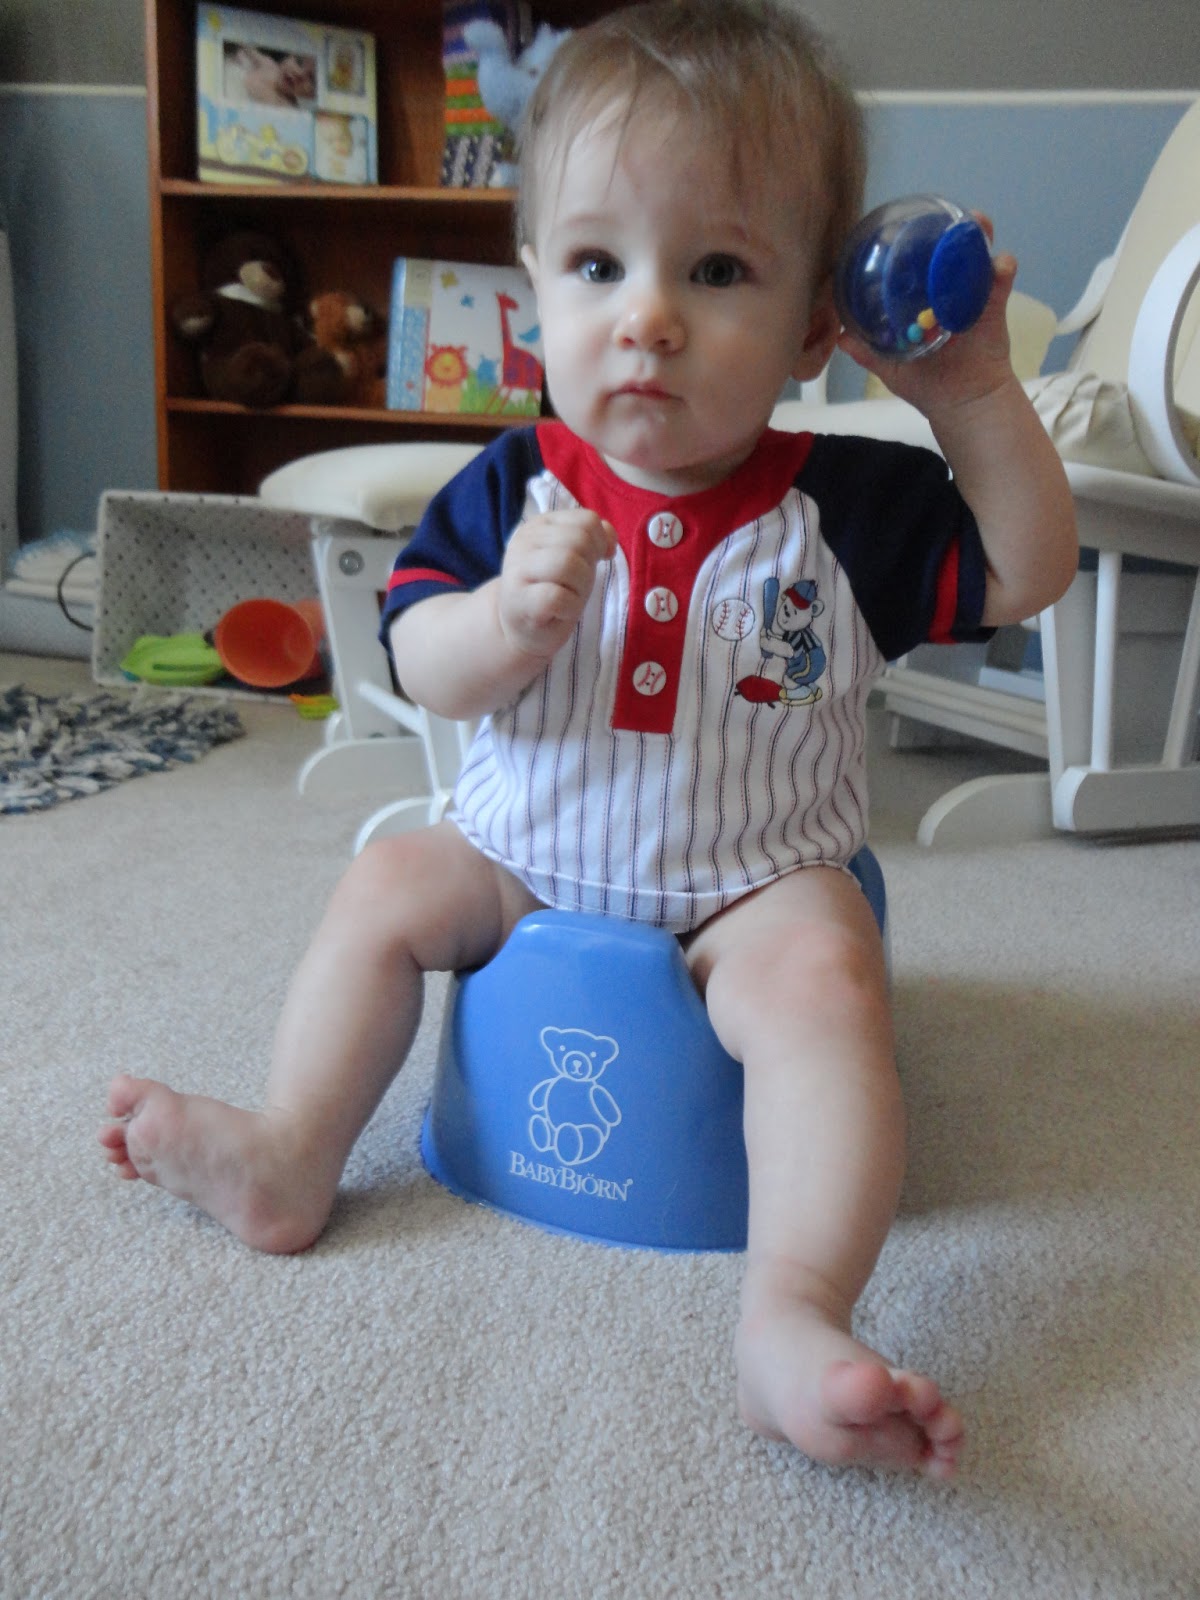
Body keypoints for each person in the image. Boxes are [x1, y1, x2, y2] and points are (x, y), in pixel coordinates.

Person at [101, 0, 1077, 1480]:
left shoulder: (851, 505)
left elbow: (1026, 569)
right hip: (523, 857)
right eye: (599, 265)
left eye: (720, 269)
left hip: (753, 879)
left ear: (819, 322)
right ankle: (293, 1154)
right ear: (534, 289)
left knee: (825, 977)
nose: (650, 318)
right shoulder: (511, 486)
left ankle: (791, 1309)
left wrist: (972, 397)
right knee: (382, 888)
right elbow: (419, 657)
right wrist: (499, 626)